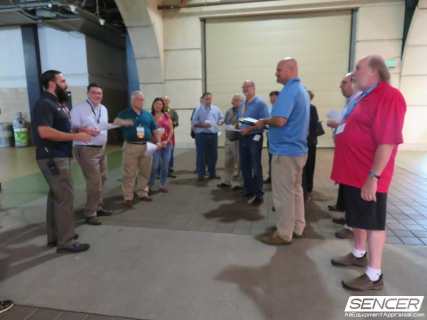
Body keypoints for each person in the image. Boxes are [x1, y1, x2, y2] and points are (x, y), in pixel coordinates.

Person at [330, 55, 406, 291]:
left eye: (358, 68)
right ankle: (358, 253)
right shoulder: (364, 96)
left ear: (374, 71)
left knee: (373, 224)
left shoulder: (389, 97)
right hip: (353, 173)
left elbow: (388, 142)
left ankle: (374, 275)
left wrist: (373, 177)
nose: (353, 73)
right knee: (359, 219)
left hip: (368, 175)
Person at [33, 70, 91, 254]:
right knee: (65, 198)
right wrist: (75, 136)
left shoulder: (57, 103)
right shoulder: (45, 103)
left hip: (59, 155)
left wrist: (81, 129)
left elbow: (61, 126)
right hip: (53, 157)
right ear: (52, 83)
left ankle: (55, 236)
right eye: (63, 81)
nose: (66, 84)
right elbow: (44, 131)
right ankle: (66, 241)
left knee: (56, 197)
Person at [254, 58, 310, 245]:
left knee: (283, 195)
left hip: (285, 152)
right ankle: (297, 226)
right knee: (295, 191)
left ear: (291, 69)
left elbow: (279, 120)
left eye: (279, 70)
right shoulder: (300, 90)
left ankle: (284, 233)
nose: (276, 73)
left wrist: (264, 121)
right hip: (297, 150)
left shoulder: (289, 91)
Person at [71, 83, 112, 226]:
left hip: (101, 148)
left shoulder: (104, 109)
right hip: (86, 148)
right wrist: (86, 130)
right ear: (88, 93)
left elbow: (102, 125)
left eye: (100, 93)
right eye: (94, 93)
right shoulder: (78, 109)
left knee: (103, 178)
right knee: (94, 182)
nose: (97, 95)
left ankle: (98, 206)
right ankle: (90, 213)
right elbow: (72, 128)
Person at [327, 73, 361, 240]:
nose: (341, 86)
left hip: (355, 155)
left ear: (354, 83)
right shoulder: (351, 102)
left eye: (344, 82)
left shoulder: (360, 101)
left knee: (354, 191)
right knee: (347, 188)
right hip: (346, 153)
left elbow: (355, 126)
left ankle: (352, 226)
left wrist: (337, 124)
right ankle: (349, 219)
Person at [115, 90, 159, 208]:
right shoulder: (125, 113)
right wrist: (123, 122)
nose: (141, 101)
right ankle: (128, 196)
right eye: (139, 99)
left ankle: (142, 192)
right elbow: (116, 122)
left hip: (147, 145)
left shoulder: (147, 114)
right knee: (129, 173)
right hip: (131, 146)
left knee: (145, 171)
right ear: (133, 100)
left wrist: (158, 141)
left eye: (142, 99)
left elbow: (154, 129)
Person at [238, 80, 270, 205]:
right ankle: (248, 189)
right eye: (243, 87)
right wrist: (239, 126)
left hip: (254, 138)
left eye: (247, 87)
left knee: (255, 166)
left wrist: (249, 129)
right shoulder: (242, 104)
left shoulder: (260, 104)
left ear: (253, 88)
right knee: (244, 165)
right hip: (243, 137)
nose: (245, 89)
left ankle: (259, 193)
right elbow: (242, 120)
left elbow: (265, 121)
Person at [192, 92, 224, 181]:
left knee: (213, 155)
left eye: (210, 99)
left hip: (213, 135)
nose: (208, 101)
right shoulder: (198, 109)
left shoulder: (216, 108)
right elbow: (194, 123)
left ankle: (212, 173)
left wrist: (221, 121)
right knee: (201, 155)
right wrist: (202, 125)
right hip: (201, 135)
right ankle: (201, 174)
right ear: (203, 99)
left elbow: (222, 118)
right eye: (206, 99)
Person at [149, 98, 174, 193]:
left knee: (165, 165)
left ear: (163, 106)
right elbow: (148, 130)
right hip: (155, 144)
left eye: (160, 104)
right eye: (156, 104)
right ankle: (150, 185)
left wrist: (167, 141)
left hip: (166, 145)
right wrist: (156, 141)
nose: (158, 106)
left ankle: (163, 185)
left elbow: (171, 130)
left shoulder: (166, 115)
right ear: (153, 105)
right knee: (154, 166)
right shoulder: (149, 116)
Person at [218, 94, 242, 189]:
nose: (232, 102)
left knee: (238, 163)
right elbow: (225, 121)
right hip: (228, 139)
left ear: (240, 101)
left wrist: (237, 125)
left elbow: (243, 124)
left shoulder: (243, 111)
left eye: (235, 100)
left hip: (238, 140)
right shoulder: (229, 111)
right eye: (233, 100)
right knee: (228, 162)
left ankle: (238, 183)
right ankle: (226, 181)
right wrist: (221, 122)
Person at [302, 90, 320, 197]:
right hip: (302, 141)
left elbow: (313, 125)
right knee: (303, 165)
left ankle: (308, 187)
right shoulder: (300, 108)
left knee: (309, 164)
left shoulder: (312, 108)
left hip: (309, 142)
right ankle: (304, 185)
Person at [264, 91, 279, 184]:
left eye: (274, 97)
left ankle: (278, 178)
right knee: (271, 157)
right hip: (270, 136)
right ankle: (271, 176)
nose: (272, 99)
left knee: (279, 158)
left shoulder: (282, 109)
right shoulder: (269, 109)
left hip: (279, 138)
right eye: (271, 98)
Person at [163, 96, 179, 178]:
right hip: (160, 136)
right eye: (164, 100)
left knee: (170, 152)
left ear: (169, 102)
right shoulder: (158, 111)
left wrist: (171, 123)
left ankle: (169, 169)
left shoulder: (173, 112)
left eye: (167, 100)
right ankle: (159, 171)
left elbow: (177, 122)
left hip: (170, 135)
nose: (165, 102)